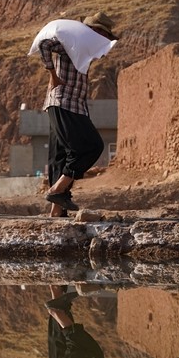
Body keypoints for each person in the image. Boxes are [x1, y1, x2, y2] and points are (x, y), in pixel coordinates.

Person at [37, 12, 119, 217]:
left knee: (60, 157)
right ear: (96, 31)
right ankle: (57, 190)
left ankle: (57, 212)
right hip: (64, 103)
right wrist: (53, 75)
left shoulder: (84, 47)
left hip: (70, 104)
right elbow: (45, 45)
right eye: (104, 35)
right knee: (91, 146)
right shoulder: (71, 42)